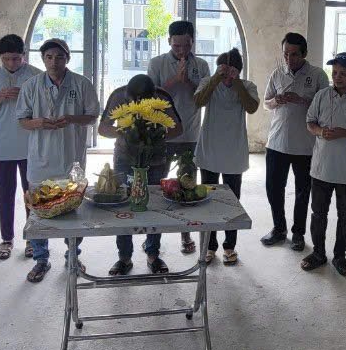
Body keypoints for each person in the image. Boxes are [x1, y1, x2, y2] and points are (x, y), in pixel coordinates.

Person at [15, 38, 100, 283]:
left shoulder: (82, 84)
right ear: (43, 59)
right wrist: (39, 122)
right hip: (41, 158)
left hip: (71, 159)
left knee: (73, 210)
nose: (54, 62)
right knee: (39, 211)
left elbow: (92, 116)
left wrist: (71, 119)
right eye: (49, 57)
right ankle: (41, 259)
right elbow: (22, 120)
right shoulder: (31, 86)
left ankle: (72, 256)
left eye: (59, 57)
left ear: (67, 59)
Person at [97, 74, 184, 276]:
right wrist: (126, 131)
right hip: (125, 159)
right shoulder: (118, 95)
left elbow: (178, 128)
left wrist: (155, 134)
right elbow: (103, 128)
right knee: (123, 205)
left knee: (154, 205)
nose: (138, 103)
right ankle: (124, 257)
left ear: (153, 95)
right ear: (127, 94)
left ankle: (153, 253)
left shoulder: (162, 97)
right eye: (134, 100)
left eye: (144, 100)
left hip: (155, 160)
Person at [302, 52, 346, 276]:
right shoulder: (322, 96)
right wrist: (320, 131)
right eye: (334, 73)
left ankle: (340, 256)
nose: (337, 77)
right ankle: (318, 253)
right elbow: (310, 122)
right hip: (321, 169)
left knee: (345, 216)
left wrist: (345, 133)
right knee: (318, 214)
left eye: (343, 73)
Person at [260, 32, 329, 251]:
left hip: (305, 146)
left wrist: (301, 100)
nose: (289, 59)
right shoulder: (277, 73)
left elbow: (326, 108)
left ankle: (298, 233)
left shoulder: (317, 75)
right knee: (273, 188)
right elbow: (266, 103)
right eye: (285, 54)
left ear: (304, 53)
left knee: (303, 191)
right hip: (277, 142)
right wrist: (276, 100)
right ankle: (278, 228)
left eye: (294, 54)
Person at [147, 19, 211, 255]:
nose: (182, 50)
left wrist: (189, 82)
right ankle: (153, 241)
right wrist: (175, 81)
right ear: (169, 42)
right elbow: (149, 98)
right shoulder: (157, 63)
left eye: (186, 45)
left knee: (188, 188)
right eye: (176, 46)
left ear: (193, 41)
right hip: (161, 135)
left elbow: (205, 97)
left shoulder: (202, 65)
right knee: (157, 187)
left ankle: (186, 234)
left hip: (190, 134)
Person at [0, 34, 44, 261]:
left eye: (16, 58)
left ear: (24, 55)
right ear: (0, 57)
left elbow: (46, 108)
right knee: (5, 194)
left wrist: (24, 97)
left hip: (30, 143)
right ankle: (6, 239)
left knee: (32, 194)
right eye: (6, 59)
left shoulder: (36, 76)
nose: (11, 63)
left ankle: (33, 239)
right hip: (2, 143)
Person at [193, 48, 259, 265]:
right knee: (208, 199)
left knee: (232, 202)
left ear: (239, 70)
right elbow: (198, 101)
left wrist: (236, 82)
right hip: (209, 150)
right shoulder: (208, 82)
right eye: (223, 69)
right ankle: (209, 245)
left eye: (232, 70)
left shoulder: (247, 86)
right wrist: (216, 79)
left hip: (234, 153)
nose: (227, 75)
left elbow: (252, 107)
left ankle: (230, 246)